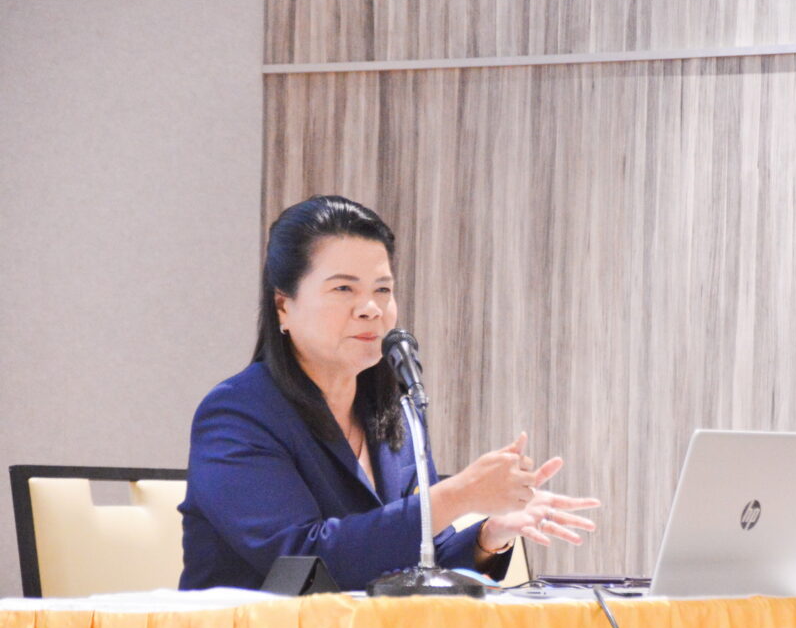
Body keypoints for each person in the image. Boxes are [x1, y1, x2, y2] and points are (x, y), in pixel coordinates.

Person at [178, 195, 600, 590]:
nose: (371, 308)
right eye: (344, 289)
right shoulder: (237, 414)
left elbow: (420, 561)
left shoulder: (396, 408)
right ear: (283, 306)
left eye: (382, 289)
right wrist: (457, 495)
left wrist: (489, 536)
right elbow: (305, 563)